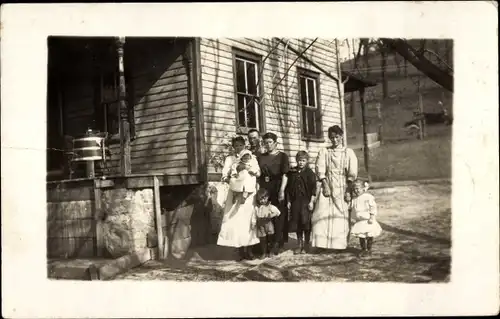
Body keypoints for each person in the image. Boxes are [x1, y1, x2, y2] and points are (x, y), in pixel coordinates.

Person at [311, 125, 358, 251]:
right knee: (321, 214)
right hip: (328, 185)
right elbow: (320, 169)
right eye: (332, 138)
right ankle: (322, 245)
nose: (334, 140)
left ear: (341, 137)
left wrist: (348, 190)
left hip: (342, 186)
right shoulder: (325, 152)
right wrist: (325, 185)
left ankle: (339, 245)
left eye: (337, 137)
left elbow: (352, 173)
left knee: (340, 215)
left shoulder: (348, 152)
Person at [217, 136, 260, 261]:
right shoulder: (230, 159)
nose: (238, 148)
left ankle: (249, 250)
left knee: (248, 220)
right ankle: (239, 250)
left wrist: (248, 168)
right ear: (233, 147)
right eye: (236, 146)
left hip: (249, 192)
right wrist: (232, 175)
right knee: (235, 220)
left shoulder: (252, 157)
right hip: (235, 191)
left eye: (240, 145)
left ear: (244, 145)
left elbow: (258, 172)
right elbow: (224, 175)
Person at [257, 132, 290, 255]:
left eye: (270, 142)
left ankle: (277, 243)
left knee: (278, 215)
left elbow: (285, 175)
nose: (268, 144)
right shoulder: (261, 157)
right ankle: (267, 244)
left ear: (275, 143)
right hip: (265, 188)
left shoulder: (282, 156)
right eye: (266, 142)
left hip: (278, 186)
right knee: (265, 215)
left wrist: (282, 190)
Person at [286, 151, 317, 255]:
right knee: (297, 222)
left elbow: (313, 189)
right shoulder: (292, 172)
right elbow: (289, 188)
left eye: (303, 161)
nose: (301, 163)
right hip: (295, 201)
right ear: (296, 160)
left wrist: (312, 201)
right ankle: (299, 245)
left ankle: (306, 245)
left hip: (306, 201)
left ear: (307, 161)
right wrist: (289, 201)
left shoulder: (310, 173)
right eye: (299, 160)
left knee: (306, 223)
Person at [350, 179, 382, 257]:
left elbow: (373, 207)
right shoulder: (355, 199)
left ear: (363, 188)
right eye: (354, 189)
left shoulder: (368, 197)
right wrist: (353, 218)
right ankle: (363, 249)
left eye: (358, 189)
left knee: (369, 235)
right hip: (360, 221)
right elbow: (354, 209)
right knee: (361, 236)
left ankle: (369, 249)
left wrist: (371, 216)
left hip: (367, 220)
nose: (356, 191)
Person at [252, 188, 281, 258]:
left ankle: (271, 251)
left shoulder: (270, 206)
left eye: (264, 199)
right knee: (262, 239)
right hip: (260, 225)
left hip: (268, 224)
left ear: (267, 198)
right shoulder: (257, 207)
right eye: (260, 199)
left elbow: (278, 212)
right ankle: (264, 252)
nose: (262, 201)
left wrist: (272, 215)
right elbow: (254, 216)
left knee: (270, 238)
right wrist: (253, 223)